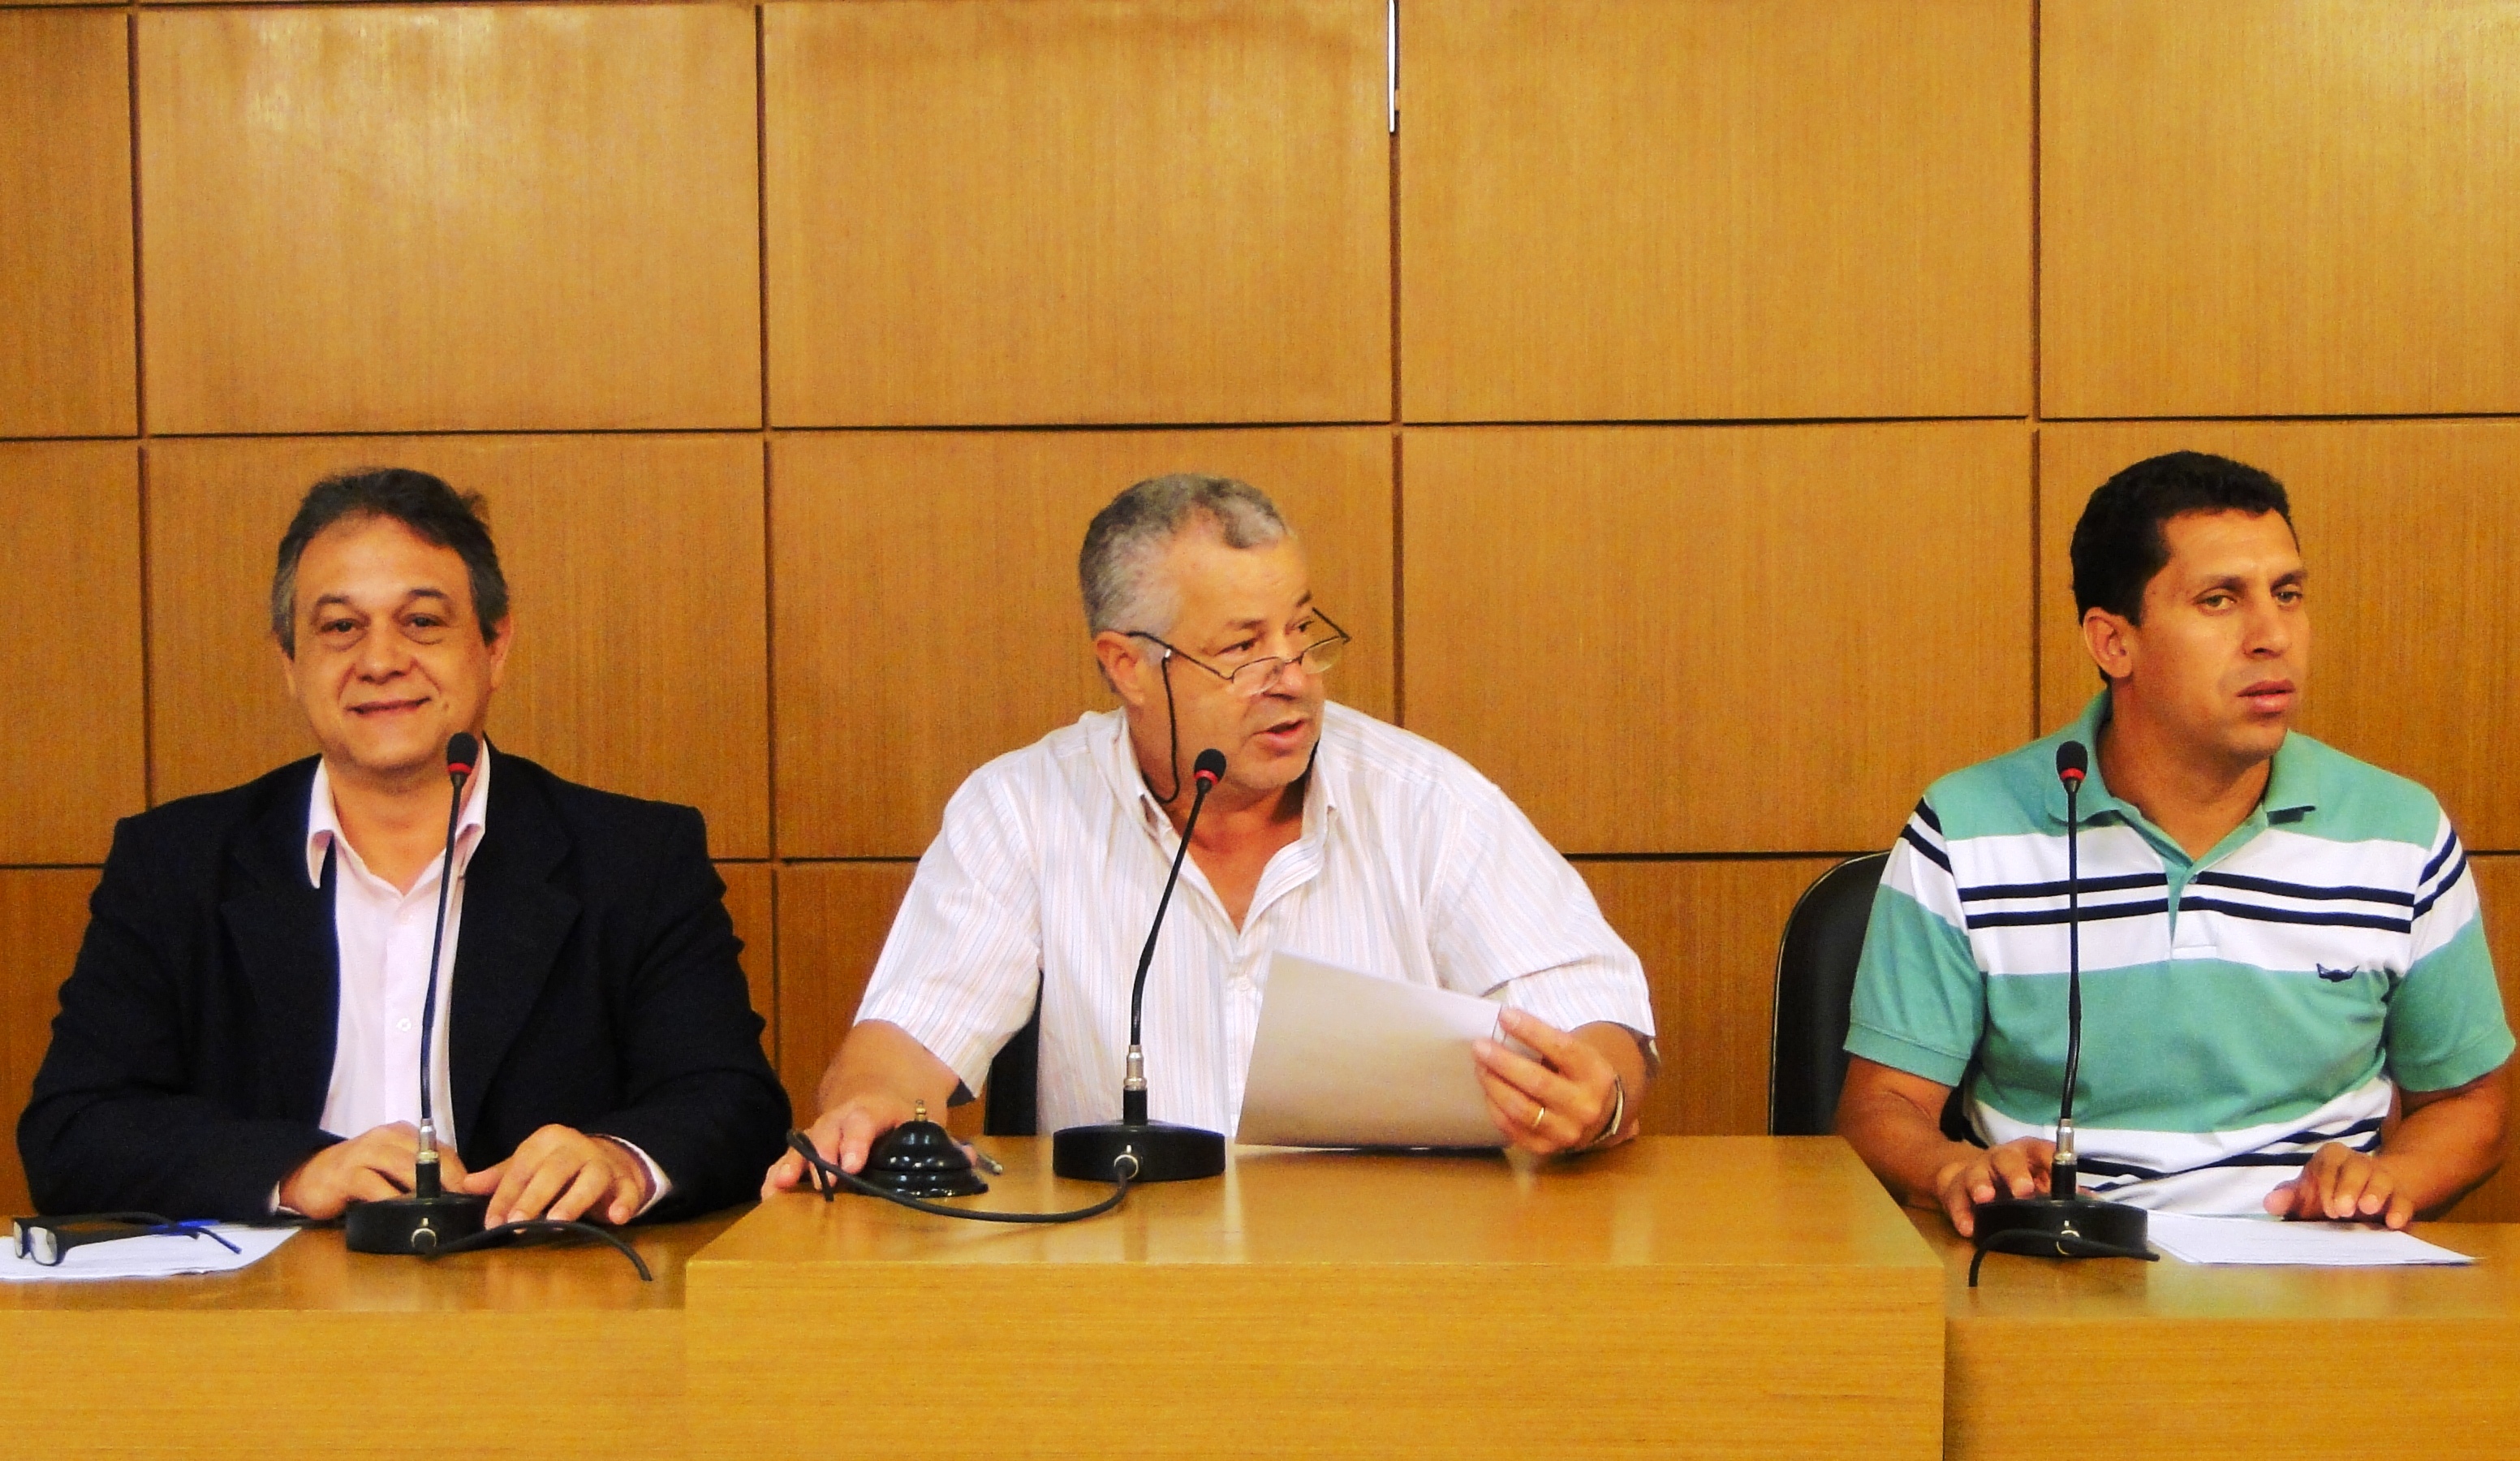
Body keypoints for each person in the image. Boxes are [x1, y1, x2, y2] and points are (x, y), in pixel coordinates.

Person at [766, 474, 1655, 1192]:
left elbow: (1595, 1020)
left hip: (1390, 1288)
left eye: (1300, 630)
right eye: (1241, 648)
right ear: (1128, 666)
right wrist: (869, 1108)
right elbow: (904, 1045)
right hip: (1124, 1291)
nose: (1294, 676)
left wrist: (1599, 1096)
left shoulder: (1424, 801)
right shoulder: (1023, 810)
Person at [21, 469, 788, 1224]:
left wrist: (620, 1159)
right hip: (272, 1295)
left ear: (495, 645)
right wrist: (296, 1170)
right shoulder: (175, 864)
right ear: (289, 662)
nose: (381, 660)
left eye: (421, 622)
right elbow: (75, 1129)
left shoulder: (634, 858)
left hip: (536, 1289)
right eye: (340, 627)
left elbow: (732, 1102)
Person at [1838, 451, 2509, 1235]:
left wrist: (2388, 1179)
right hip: (2059, 1261)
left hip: (2315, 1264)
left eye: (2287, 594)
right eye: (2219, 600)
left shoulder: (2398, 831)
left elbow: (2471, 1104)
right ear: (2112, 643)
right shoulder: (1967, 827)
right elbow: (1881, 1106)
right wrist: (1952, 1170)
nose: (2272, 636)